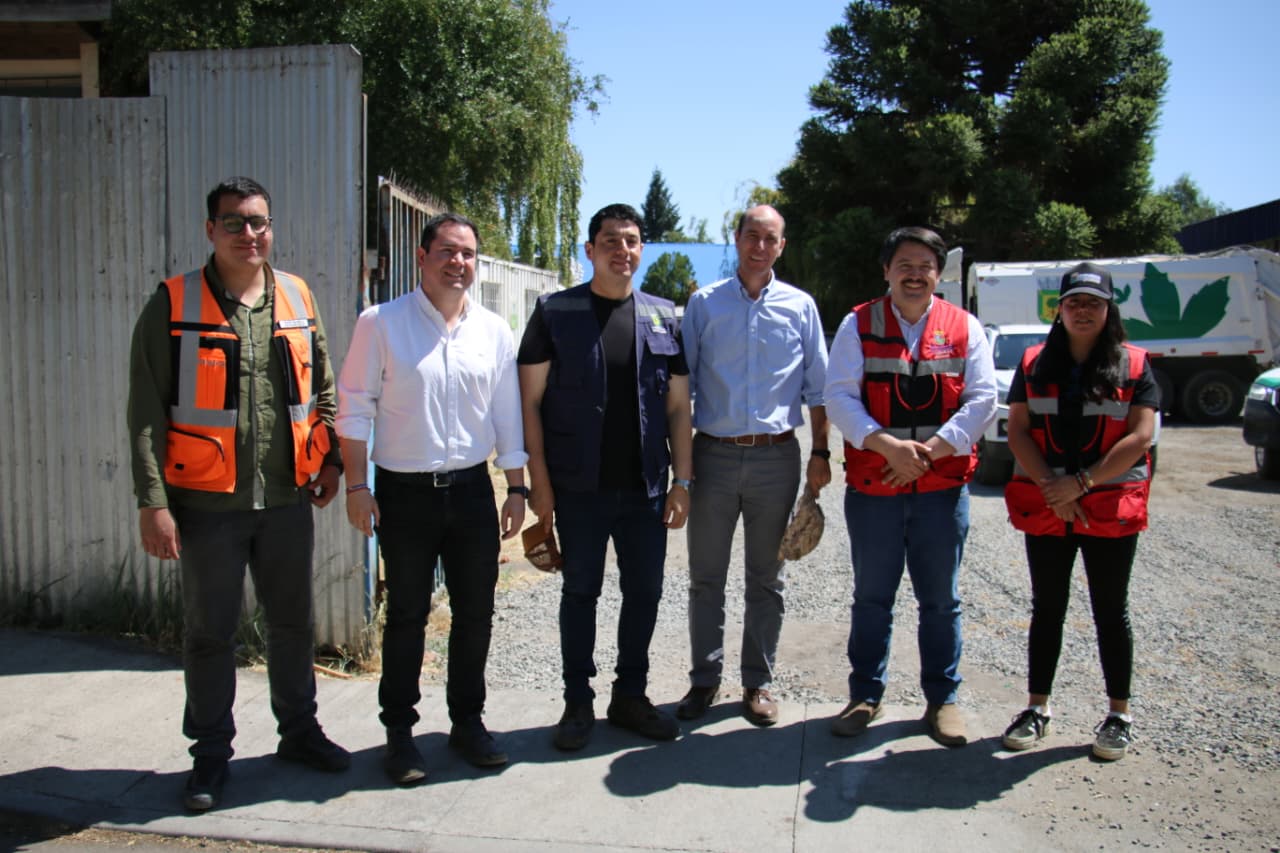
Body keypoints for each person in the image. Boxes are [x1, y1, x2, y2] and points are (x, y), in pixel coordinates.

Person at [128, 176, 350, 812]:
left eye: (259, 222)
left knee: (292, 625)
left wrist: (330, 460)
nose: (249, 234)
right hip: (205, 507)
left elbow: (324, 388)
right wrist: (153, 502)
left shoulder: (297, 295)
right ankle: (209, 758)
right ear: (210, 230)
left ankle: (299, 733)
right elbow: (145, 411)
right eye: (234, 223)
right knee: (209, 635)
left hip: (286, 501)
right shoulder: (172, 303)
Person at [336, 213, 528, 784]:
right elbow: (353, 407)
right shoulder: (381, 324)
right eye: (447, 251)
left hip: (470, 492)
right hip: (405, 494)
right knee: (408, 617)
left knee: (476, 615)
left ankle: (467, 723)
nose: (458, 263)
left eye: (468, 254)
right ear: (422, 257)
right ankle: (400, 734)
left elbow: (507, 415)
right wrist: (356, 485)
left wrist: (515, 486)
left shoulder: (493, 331)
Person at [518, 202, 693, 751]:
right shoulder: (555, 312)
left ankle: (630, 697)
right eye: (611, 240)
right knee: (581, 593)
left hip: (644, 488)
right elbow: (530, 403)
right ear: (589, 249)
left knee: (645, 592)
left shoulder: (666, 316)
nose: (623, 250)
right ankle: (577, 702)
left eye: (633, 240)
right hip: (578, 488)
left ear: (643, 250)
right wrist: (539, 484)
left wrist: (682, 482)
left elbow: (679, 409)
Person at [824, 226, 996, 747]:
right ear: (886, 270)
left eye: (925, 265)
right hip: (875, 489)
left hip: (941, 492)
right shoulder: (857, 324)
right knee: (872, 598)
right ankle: (864, 695)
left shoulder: (965, 327)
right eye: (905, 263)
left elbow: (983, 399)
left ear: (939, 273)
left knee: (941, 601)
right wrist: (889, 449)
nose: (915, 273)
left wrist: (928, 454)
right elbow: (839, 397)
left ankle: (942, 700)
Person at [676, 205, 830, 727]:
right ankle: (704, 681)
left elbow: (818, 389)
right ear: (736, 239)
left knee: (766, 579)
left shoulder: (801, 308)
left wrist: (822, 454)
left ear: (781, 246)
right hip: (713, 455)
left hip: (777, 458)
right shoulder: (703, 305)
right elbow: (683, 388)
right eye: (751, 236)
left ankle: (758, 683)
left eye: (770, 238)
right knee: (705, 578)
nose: (759, 247)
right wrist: (681, 467)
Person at [1000, 262, 1157, 761]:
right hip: (1050, 505)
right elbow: (1018, 430)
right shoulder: (1032, 363)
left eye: (1094, 302)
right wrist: (1054, 487)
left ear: (1109, 310)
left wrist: (1081, 483)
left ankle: (1119, 715)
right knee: (1048, 608)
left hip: (1107, 507)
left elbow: (1141, 435)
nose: (1083, 310)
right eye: (1074, 302)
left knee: (1112, 611)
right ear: (1059, 309)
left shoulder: (1135, 364)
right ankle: (1037, 708)